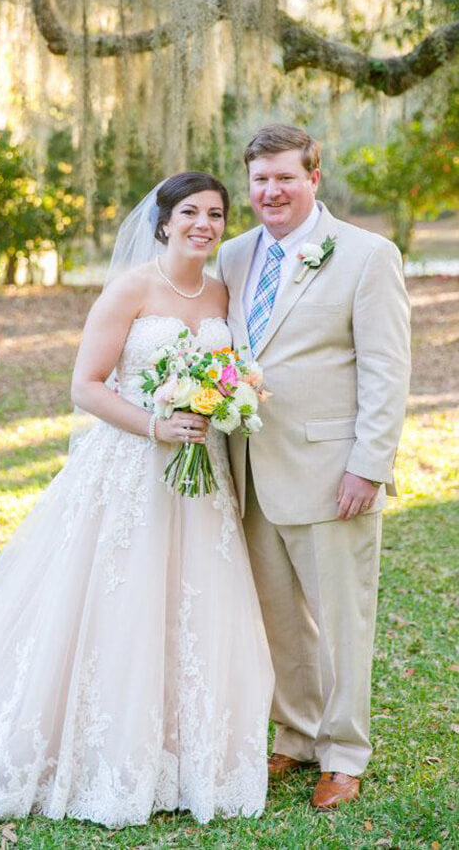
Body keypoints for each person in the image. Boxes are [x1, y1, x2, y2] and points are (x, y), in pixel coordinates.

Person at [0, 172, 274, 828]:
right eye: (190, 212)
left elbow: (232, 374)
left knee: (191, 602)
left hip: (201, 479)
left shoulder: (223, 291)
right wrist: (156, 425)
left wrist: (224, 404)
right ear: (162, 221)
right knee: (118, 597)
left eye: (217, 214)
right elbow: (85, 386)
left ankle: (181, 749)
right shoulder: (131, 289)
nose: (205, 224)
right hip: (132, 469)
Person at [216, 124, 411, 810]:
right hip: (246, 472)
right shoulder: (233, 256)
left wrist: (369, 464)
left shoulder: (367, 255)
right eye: (260, 180)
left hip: (333, 471)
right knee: (277, 618)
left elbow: (387, 370)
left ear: (313, 180)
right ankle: (294, 737)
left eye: (285, 178)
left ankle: (344, 754)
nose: (271, 191)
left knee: (342, 622)